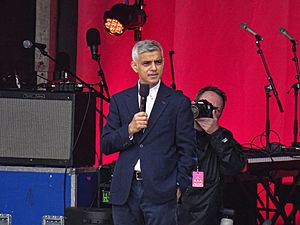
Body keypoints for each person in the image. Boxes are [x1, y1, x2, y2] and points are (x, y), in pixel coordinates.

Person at [100, 40, 197, 225]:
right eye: (146, 63)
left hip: (162, 191)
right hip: (125, 190)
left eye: (158, 62)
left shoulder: (178, 102)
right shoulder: (120, 100)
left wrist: (179, 185)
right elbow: (106, 144)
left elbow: (188, 150)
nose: (153, 68)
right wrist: (129, 129)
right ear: (134, 65)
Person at [177, 86, 246, 225]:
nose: (208, 111)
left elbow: (236, 166)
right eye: (205, 105)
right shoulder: (175, 130)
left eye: (216, 110)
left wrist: (215, 133)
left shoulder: (222, 135)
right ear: (193, 104)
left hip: (206, 215)